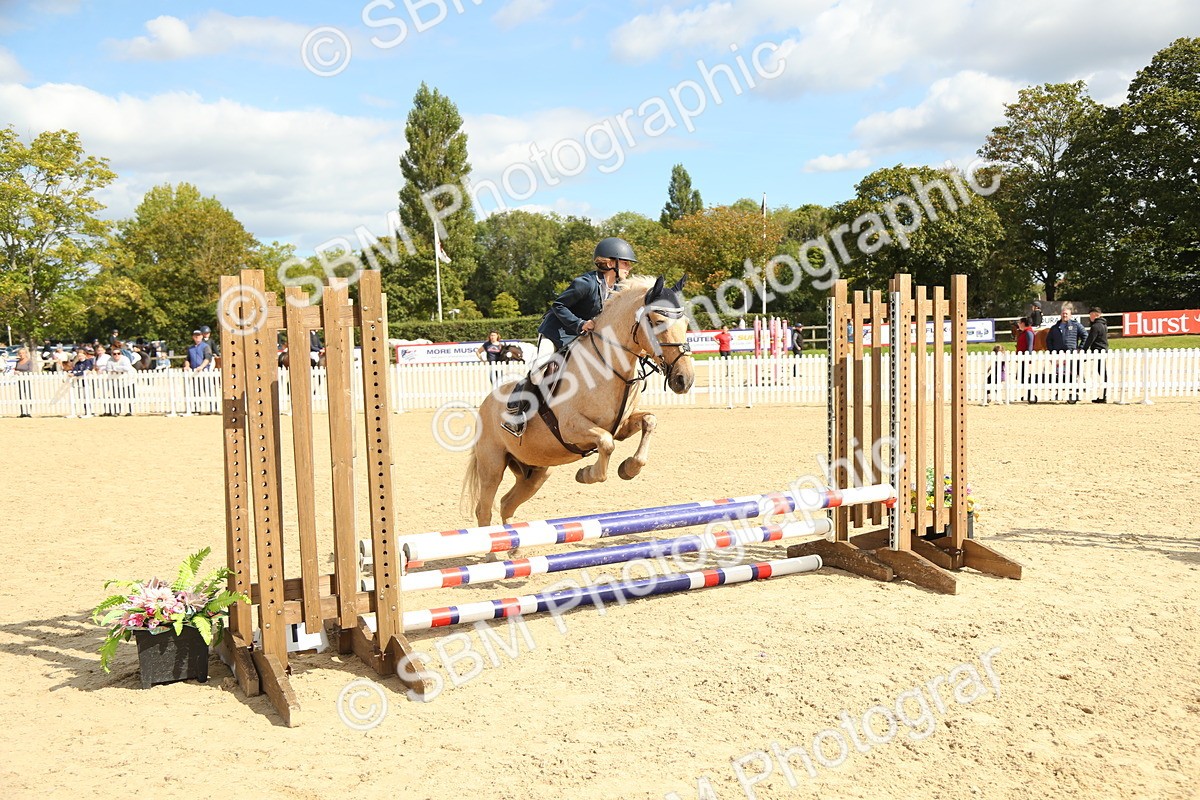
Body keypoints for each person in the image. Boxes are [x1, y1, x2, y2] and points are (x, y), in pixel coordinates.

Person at [508, 237, 637, 429]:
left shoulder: (616, 290)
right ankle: (519, 415)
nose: (629, 268)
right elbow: (558, 305)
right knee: (539, 370)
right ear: (610, 263)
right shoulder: (585, 283)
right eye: (625, 263)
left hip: (581, 336)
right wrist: (580, 323)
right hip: (557, 331)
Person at [1045, 305, 1086, 403]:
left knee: (1073, 374)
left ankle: (1075, 393)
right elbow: (1048, 340)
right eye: (1063, 314)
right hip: (1058, 356)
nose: (1064, 315)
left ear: (1070, 315)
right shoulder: (1055, 327)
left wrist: (1080, 348)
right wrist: (1052, 352)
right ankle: (1058, 393)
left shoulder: (1076, 325)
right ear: (1060, 315)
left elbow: (1085, 336)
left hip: (1072, 355)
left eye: (1066, 314)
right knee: (1060, 375)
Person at [1085, 307, 1109, 403]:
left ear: (1095, 314)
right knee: (1102, 372)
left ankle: (1104, 395)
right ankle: (1104, 395)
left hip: (1098, 351)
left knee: (1102, 372)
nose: (1090, 317)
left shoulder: (1096, 326)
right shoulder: (1104, 325)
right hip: (1102, 350)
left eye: (1091, 315)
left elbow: (1090, 340)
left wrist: (1083, 350)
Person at [1014, 317, 1036, 402]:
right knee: (1021, 376)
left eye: (1020, 322)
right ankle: (1028, 394)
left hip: (1025, 359)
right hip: (1022, 358)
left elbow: (1030, 346)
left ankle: (1030, 394)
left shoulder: (1028, 332)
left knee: (1023, 377)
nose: (1018, 324)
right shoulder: (1024, 332)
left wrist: (1027, 358)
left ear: (1023, 323)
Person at [13, 347, 33, 417]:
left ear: (26, 354)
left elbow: (30, 371)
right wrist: (15, 372)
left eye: (23, 353)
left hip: (27, 380)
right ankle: (22, 412)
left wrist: (20, 372)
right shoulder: (17, 362)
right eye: (20, 353)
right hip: (19, 381)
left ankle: (29, 412)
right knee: (21, 396)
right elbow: (15, 369)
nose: (21, 355)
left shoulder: (29, 361)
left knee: (28, 395)